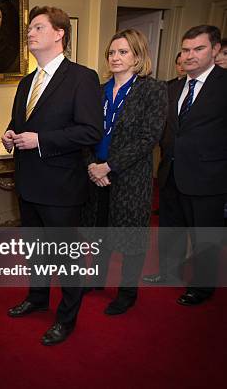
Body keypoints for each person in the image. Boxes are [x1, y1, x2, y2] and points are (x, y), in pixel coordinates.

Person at [1, 6, 102, 345]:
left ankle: (67, 318)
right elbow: (21, 124)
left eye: (38, 27)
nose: (30, 32)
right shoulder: (26, 82)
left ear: (59, 33)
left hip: (61, 186)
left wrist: (41, 140)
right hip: (28, 182)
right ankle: (37, 298)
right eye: (30, 28)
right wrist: (10, 134)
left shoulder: (81, 78)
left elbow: (90, 131)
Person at [81, 29, 167, 315]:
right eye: (112, 52)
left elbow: (149, 137)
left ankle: (128, 292)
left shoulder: (152, 90)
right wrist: (93, 165)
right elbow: (87, 132)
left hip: (130, 176)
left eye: (123, 52)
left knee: (131, 237)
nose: (115, 57)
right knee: (101, 231)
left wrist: (109, 165)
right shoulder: (98, 90)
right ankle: (97, 279)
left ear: (138, 56)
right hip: (97, 174)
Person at [152, 25, 227, 305]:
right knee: (170, 229)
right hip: (171, 172)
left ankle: (202, 287)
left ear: (215, 49)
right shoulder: (172, 87)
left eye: (199, 49)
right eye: (186, 50)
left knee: (204, 237)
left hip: (209, 178)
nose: (190, 55)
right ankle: (167, 273)